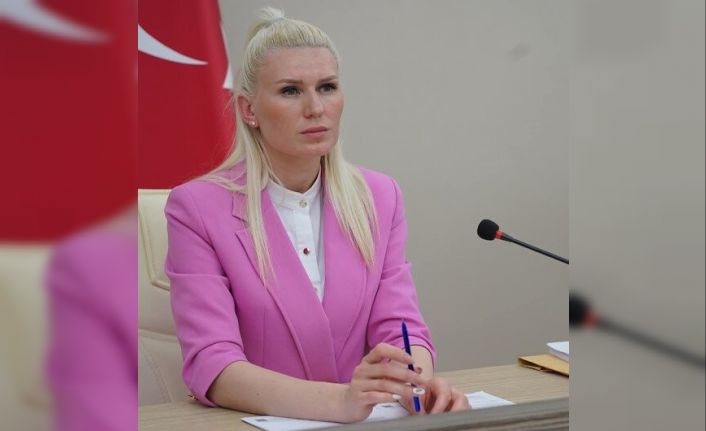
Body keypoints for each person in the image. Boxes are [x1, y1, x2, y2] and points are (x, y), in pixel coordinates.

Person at [165, 7, 469, 423]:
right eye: (291, 91)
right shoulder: (197, 208)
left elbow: (401, 327)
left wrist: (415, 384)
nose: (315, 108)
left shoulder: (380, 197)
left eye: (327, 87)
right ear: (249, 110)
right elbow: (212, 363)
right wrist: (338, 402)